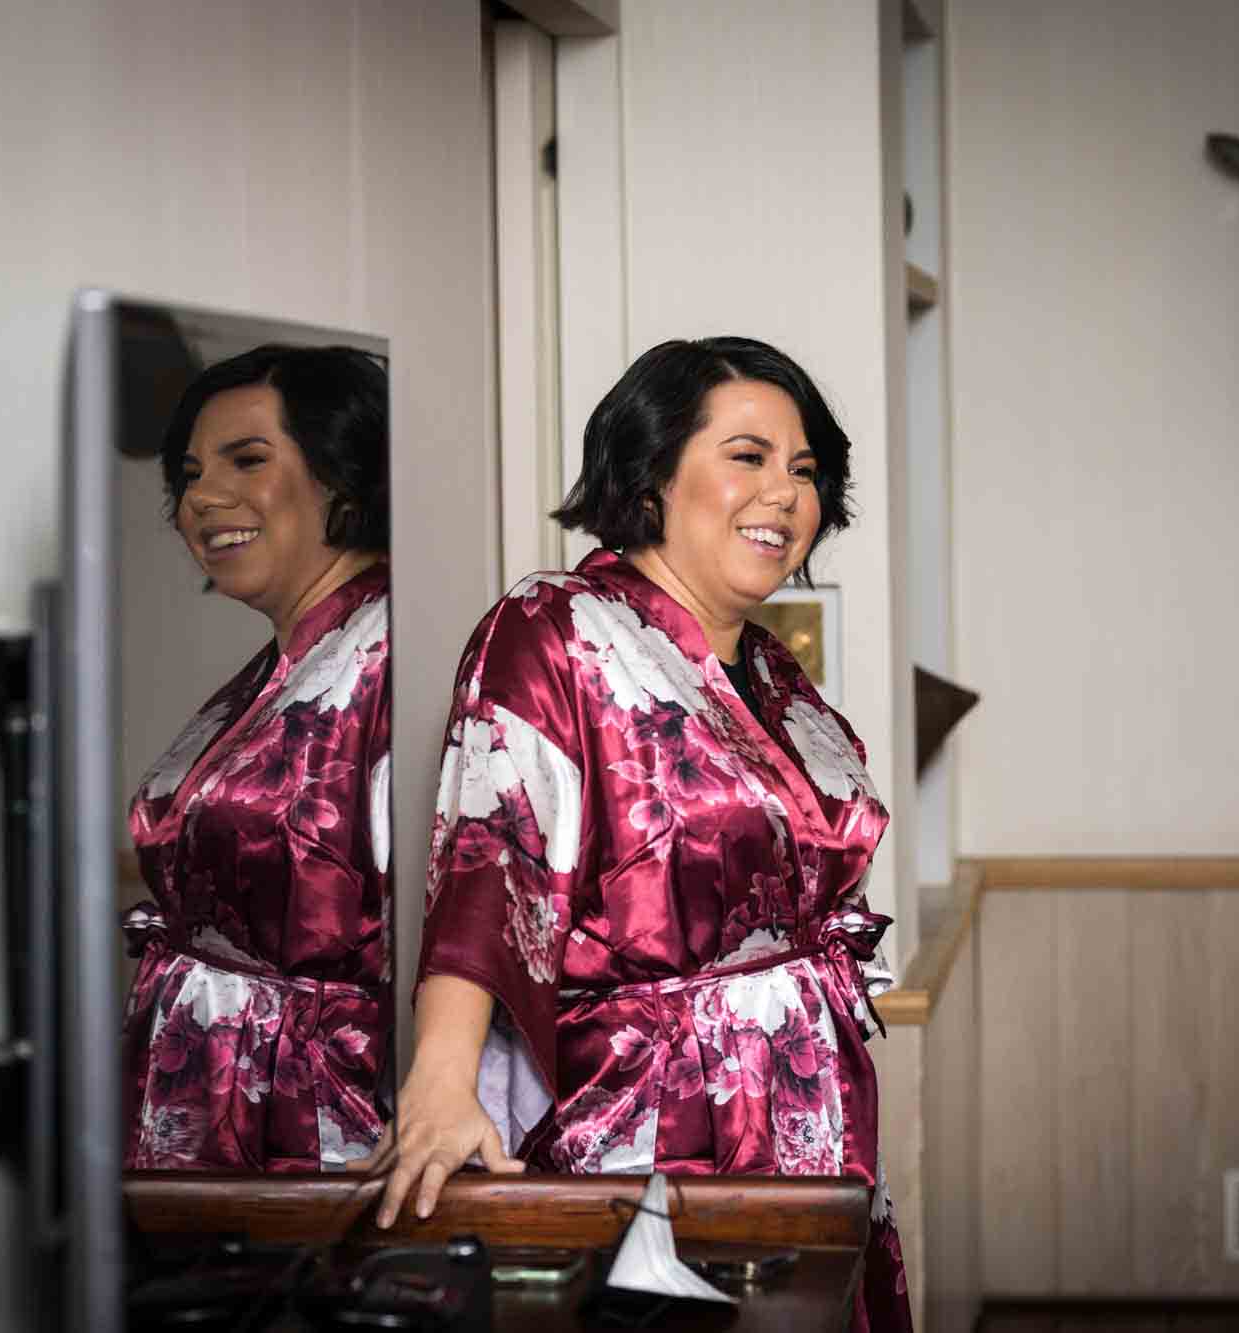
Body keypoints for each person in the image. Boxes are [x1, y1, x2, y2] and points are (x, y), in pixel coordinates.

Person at [372, 336, 912, 1330]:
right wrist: (442, 1080)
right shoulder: (552, 629)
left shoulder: (771, 675)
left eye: (803, 470)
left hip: (809, 1116)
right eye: (746, 456)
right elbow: (492, 858)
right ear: (652, 474)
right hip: (656, 1123)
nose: (784, 494)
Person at [120, 343, 394, 1172]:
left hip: (316, 1128)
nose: (203, 497)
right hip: (210, 1104)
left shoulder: (389, 655)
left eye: (247, 459)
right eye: (192, 473)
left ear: (341, 477)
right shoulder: (284, 666)